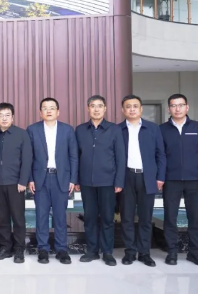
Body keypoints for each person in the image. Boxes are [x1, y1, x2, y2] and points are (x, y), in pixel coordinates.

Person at [160, 93, 198, 266]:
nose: (177, 108)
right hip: (171, 180)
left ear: (187, 107)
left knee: (195, 218)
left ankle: (194, 253)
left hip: (194, 180)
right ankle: (172, 252)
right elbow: (160, 156)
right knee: (170, 217)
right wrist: (160, 178)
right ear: (169, 109)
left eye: (181, 105)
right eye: (173, 105)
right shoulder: (162, 129)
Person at [75, 95, 126, 266]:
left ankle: (107, 252)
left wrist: (119, 181)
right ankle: (92, 250)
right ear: (88, 108)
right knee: (89, 218)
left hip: (108, 182)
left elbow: (120, 157)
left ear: (105, 108)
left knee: (107, 218)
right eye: (93, 106)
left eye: (99, 106)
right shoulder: (80, 130)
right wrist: (76, 179)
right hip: (86, 182)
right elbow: (76, 156)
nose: (96, 109)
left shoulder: (114, 129)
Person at [27, 97, 78, 265]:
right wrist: (30, 178)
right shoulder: (32, 129)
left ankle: (61, 249)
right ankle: (43, 249)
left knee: (60, 216)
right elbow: (28, 157)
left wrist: (72, 179)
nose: (48, 111)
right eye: (45, 108)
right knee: (41, 215)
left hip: (61, 178)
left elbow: (73, 156)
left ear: (58, 111)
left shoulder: (67, 130)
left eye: (52, 108)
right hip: (40, 179)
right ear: (40, 112)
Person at [119, 94, 166, 267]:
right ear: (123, 110)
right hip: (126, 177)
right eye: (128, 106)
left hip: (148, 177)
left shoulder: (153, 128)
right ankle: (130, 252)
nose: (132, 109)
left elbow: (161, 154)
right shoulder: (117, 130)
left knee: (146, 218)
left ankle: (145, 253)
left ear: (141, 109)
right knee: (127, 217)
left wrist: (160, 176)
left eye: (135, 106)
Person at [0, 103, 32, 264]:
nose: (4, 118)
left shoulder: (21, 134)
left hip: (16, 183)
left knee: (18, 217)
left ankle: (19, 248)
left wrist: (23, 181)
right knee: (2, 218)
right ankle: (5, 247)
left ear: (12, 117)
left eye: (7, 115)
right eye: (1, 115)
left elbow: (27, 159)